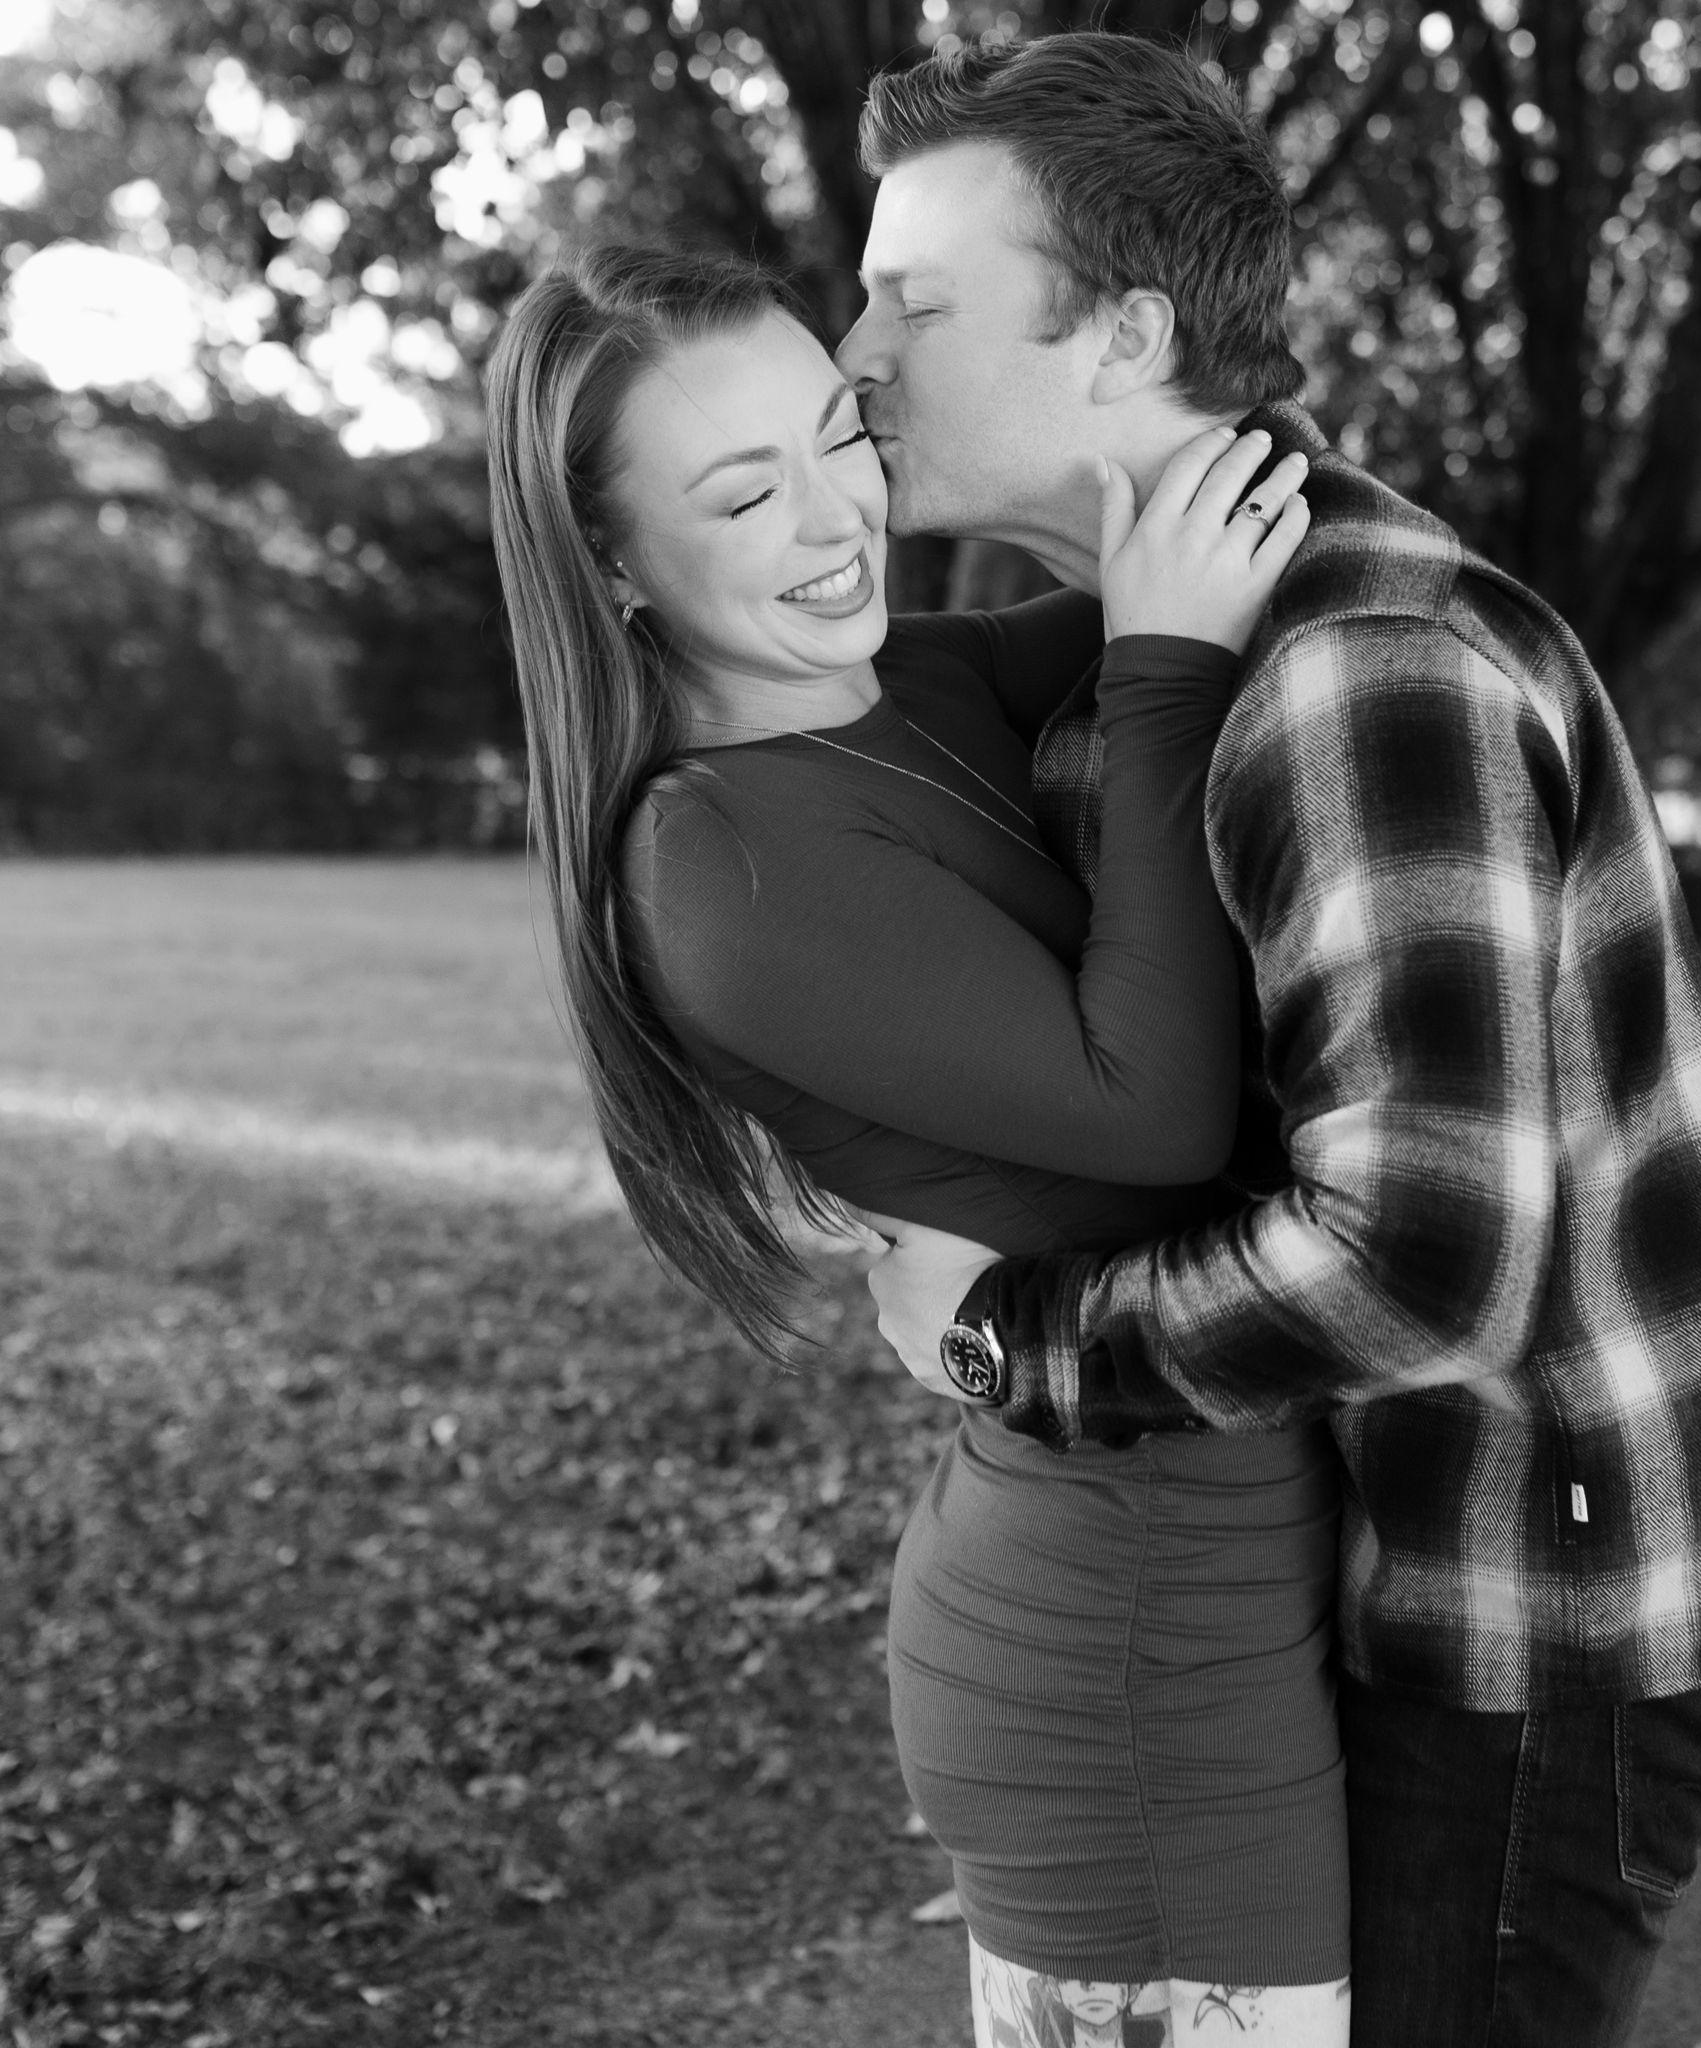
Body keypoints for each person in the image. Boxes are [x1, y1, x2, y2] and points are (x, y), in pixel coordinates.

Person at [843, 33, 1701, 2047]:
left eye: (910, 304)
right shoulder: (1154, 653)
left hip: (1541, 1602)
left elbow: (1423, 1261)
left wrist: (1011, 1337)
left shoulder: (1357, 671)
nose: (848, 356)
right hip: (1421, 1545)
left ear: (1123, 335)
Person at [482, 242, 1354, 2045]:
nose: (838, 519)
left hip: (1224, 1555)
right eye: (745, 494)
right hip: (1127, 1638)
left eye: (839, 436)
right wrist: (1162, 672)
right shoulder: (715, 857)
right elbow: (1153, 1110)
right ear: (612, 565)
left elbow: (1229, 495)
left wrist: (1105, 348)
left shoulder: (909, 683)